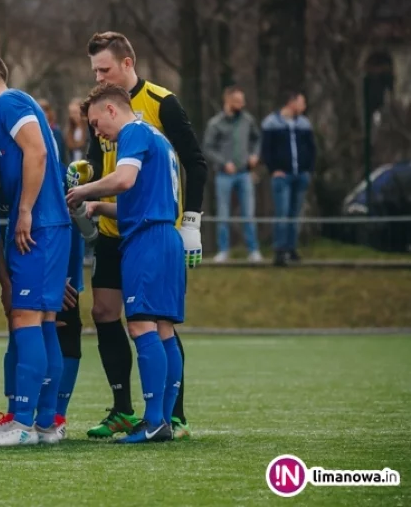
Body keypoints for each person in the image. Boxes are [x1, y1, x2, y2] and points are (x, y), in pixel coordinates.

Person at [69, 31, 206, 441]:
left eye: (97, 124)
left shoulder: (136, 130)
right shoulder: (155, 138)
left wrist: (84, 192)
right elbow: (140, 196)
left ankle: (154, 420)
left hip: (146, 241)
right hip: (160, 231)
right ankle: (163, 418)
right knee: (161, 328)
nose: (99, 133)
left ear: (112, 108)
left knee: (142, 327)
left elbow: (125, 179)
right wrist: (98, 206)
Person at [0, 52, 71, 446]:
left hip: (39, 224)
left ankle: (23, 423)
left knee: (27, 318)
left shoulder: (9, 102)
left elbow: (38, 152)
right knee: (41, 321)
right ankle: (43, 422)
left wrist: (24, 210)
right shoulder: (2, 115)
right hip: (48, 225)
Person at [203, 86, 263, 262]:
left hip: (245, 173)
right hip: (224, 175)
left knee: (248, 213)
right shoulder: (215, 123)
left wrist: (254, 154)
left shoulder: (247, 120)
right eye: (238, 101)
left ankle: (253, 250)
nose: (242, 104)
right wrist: (223, 162)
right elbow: (208, 148)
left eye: (242, 101)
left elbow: (256, 139)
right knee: (223, 213)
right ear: (228, 101)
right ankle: (223, 251)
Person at [260, 91, 315, 266]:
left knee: (294, 214)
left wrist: (308, 170)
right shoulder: (271, 123)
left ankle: (292, 249)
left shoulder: (304, 124)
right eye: (301, 102)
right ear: (292, 103)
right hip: (281, 176)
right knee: (282, 213)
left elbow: (312, 149)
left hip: (300, 175)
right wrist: (273, 169)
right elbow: (266, 150)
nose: (304, 107)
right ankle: (280, 250)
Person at [38, 98, 69, 166]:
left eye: (44, 111)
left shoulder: (55, 131)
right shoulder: (35, 132)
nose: (42, 114)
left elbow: (60, 154)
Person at [66, 98, 87, 163]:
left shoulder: (88, 130)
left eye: (75, 112)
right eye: (71, 113)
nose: (73, 116)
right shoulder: (69, 131)